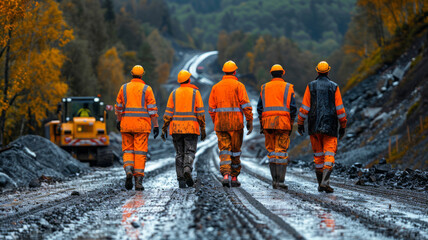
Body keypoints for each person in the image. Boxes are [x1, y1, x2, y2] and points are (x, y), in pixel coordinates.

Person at [297, 61, 347, 193]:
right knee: (329, 153)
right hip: (330, 125)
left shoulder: (311, 86)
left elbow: (305, 108)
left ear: (317, 71)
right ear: (328, 71)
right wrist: (343, 125)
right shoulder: (334, 87)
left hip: (314, 125)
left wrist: (300, 123)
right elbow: (340, 110)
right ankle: (325, 182)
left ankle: (320, 183)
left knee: (318, 156)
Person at [208, 60, 253, 187]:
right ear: (234, 71)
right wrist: (249, 120)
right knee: (235, 151)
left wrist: (216, 121)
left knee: (224, 151)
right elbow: (246, 105)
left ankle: (225, 175)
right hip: (236, 124)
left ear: (224, 71)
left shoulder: (216, 87)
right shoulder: (239, 86)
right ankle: (234, 177)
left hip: (221, 124)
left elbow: (211, 109)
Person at [115, 65, 159, 191]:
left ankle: (128, 169)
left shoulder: (123, 88)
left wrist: (118, 121)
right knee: (140, 153)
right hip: (141, 126)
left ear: (131, 74)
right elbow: (152, 110)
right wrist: (155, 125)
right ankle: (138, 182)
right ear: (142, 74)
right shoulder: (147, 89)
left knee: (128, 150)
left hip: (126, 125)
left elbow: (118, 107)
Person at [161, 70, 206, 188]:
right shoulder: (195, 93)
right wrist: (203, 129)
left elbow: (168, 114)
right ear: (189, 80)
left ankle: (181, 179)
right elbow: (200, 114)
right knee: (189, 151)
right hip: (191, 128)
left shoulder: (174, 93)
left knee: (179, 153)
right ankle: (187, 168)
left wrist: (164, 128)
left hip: (176, 129)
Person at [257, 64, 297, 189]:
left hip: (268, 124)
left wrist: (262, 122)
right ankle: (280, 181)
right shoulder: (288, 87)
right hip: (283, 123)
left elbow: (259, 108)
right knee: (281, 152)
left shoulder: (264, 87)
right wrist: (290, 123)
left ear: (271, 74)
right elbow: (293, 108)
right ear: (282, 73)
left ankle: (274, 181)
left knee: (272, 152)